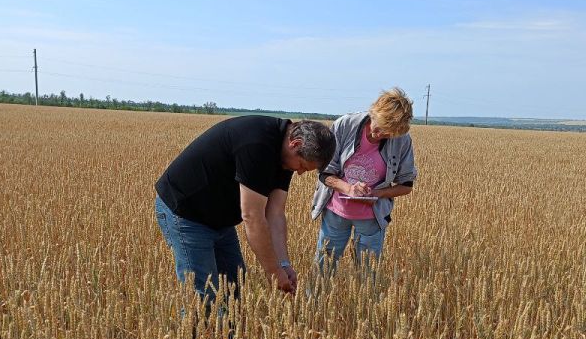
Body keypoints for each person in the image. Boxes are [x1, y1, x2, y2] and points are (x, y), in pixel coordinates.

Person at [155, 116, 336, 304]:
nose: (299, 172)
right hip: (186, 213)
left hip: (220, 220)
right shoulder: (257, 144)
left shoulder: (286, 154)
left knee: (235, 288)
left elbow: (275, 213)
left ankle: (227, 324)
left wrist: (283, 264)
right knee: (203, 298)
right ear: (295, 144)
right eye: (302, 166)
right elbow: (252, 217)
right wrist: (273, 272)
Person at [310, 88, 417, 272]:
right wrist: (348, 189)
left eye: (388, 134)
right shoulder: (345, 125)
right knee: (323, 270)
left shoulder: (402, 140)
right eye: (380, 127)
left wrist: (376, 194)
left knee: (368, 275)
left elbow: (406, 185)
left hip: (372, 219)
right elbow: (324, 173)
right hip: (336, 214)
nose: (380, 135)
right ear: (374, 112)